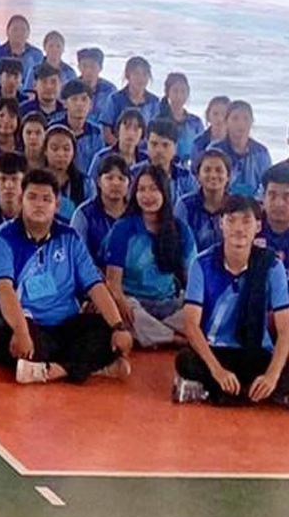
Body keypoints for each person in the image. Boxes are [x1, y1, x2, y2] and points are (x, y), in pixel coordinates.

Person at [0, 169, 133, 384]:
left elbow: (95, 285)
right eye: (32, 197)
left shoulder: (69, 237)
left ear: (57, 205)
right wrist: (21, 331)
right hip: (26, 321)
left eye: (47, 199)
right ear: (20, 200)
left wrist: (119, 327)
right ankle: (90, 366)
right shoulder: (2, 238)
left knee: (106, 332)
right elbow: (5, 290)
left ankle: (57, 369)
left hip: (65, 323)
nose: (39, 205)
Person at [173, 198, 289, 406]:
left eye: (246, 221)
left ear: (258, 226)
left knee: (282, 366)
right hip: (217, 350)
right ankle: (247, 391)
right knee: (185, 360)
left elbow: (285, 328)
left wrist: (271, 375)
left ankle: (226, 392)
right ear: (221, 223)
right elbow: (191, 325)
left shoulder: (272, 266)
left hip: (256, 351)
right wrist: (218, 371)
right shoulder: (202, 264)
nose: (238, 228)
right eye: (231, 220)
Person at [101, 163, 195, 349]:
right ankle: (175, 339)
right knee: (121, 312)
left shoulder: (180, 229)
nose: (147, 195)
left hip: (168, 304)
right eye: (141, 189)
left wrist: (191, 307)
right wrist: (122, 303)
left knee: (201, 311)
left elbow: (193, 280)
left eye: (153, 189)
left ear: (164, 193)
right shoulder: (123, 228)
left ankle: (155, 334)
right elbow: (113, 283)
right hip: (134, 304)